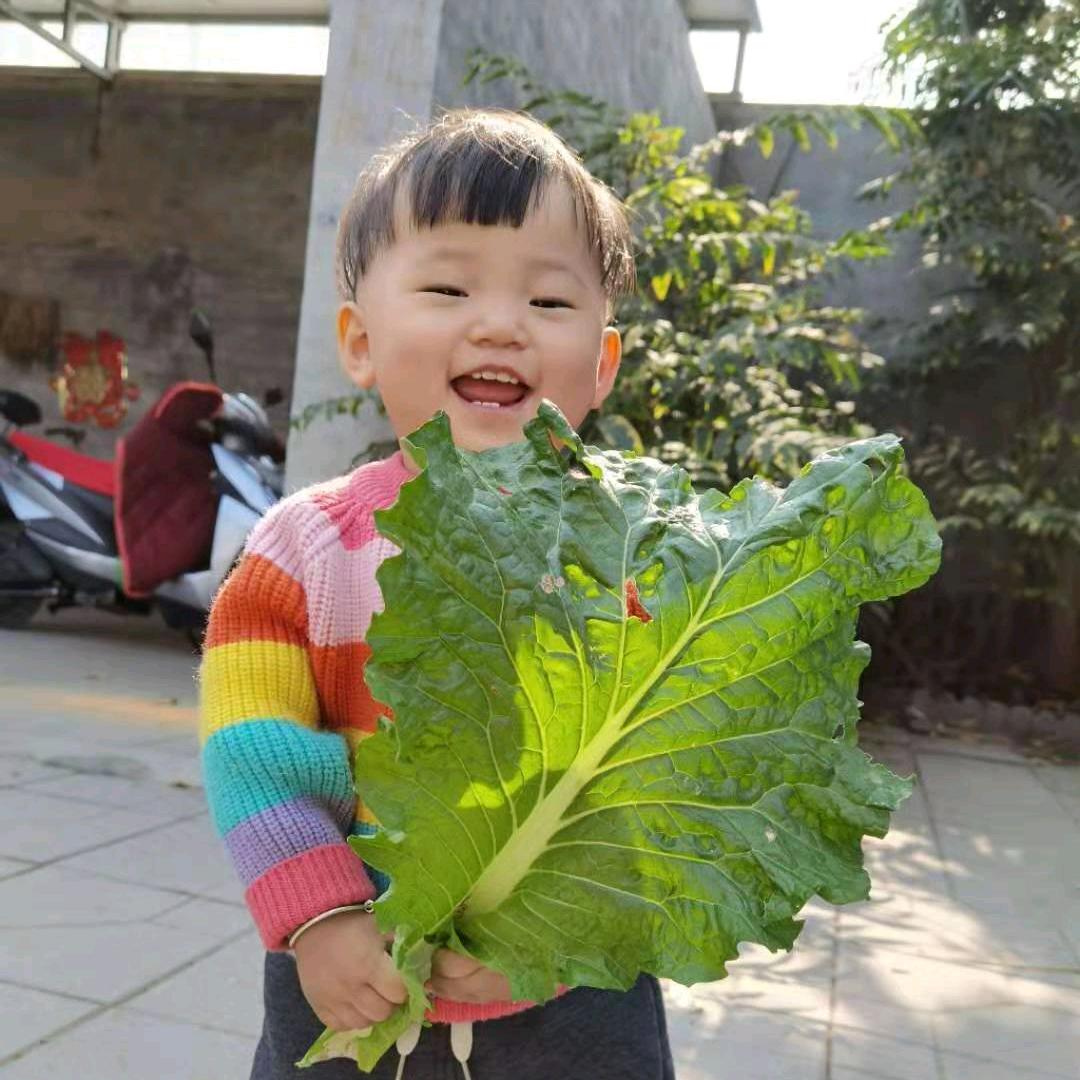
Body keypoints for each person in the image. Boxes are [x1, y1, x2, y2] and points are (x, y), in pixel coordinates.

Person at [199, 107, 676, 1080]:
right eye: (449, 285)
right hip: (347, 978)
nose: (499, 323)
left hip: (576, 994)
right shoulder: (303, 550)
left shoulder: (642, 559)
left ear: (605, 362)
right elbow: (255, 752)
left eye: (550, 303)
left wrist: (557, 910)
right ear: (361, 341)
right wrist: (320, 916)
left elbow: (661, 770)